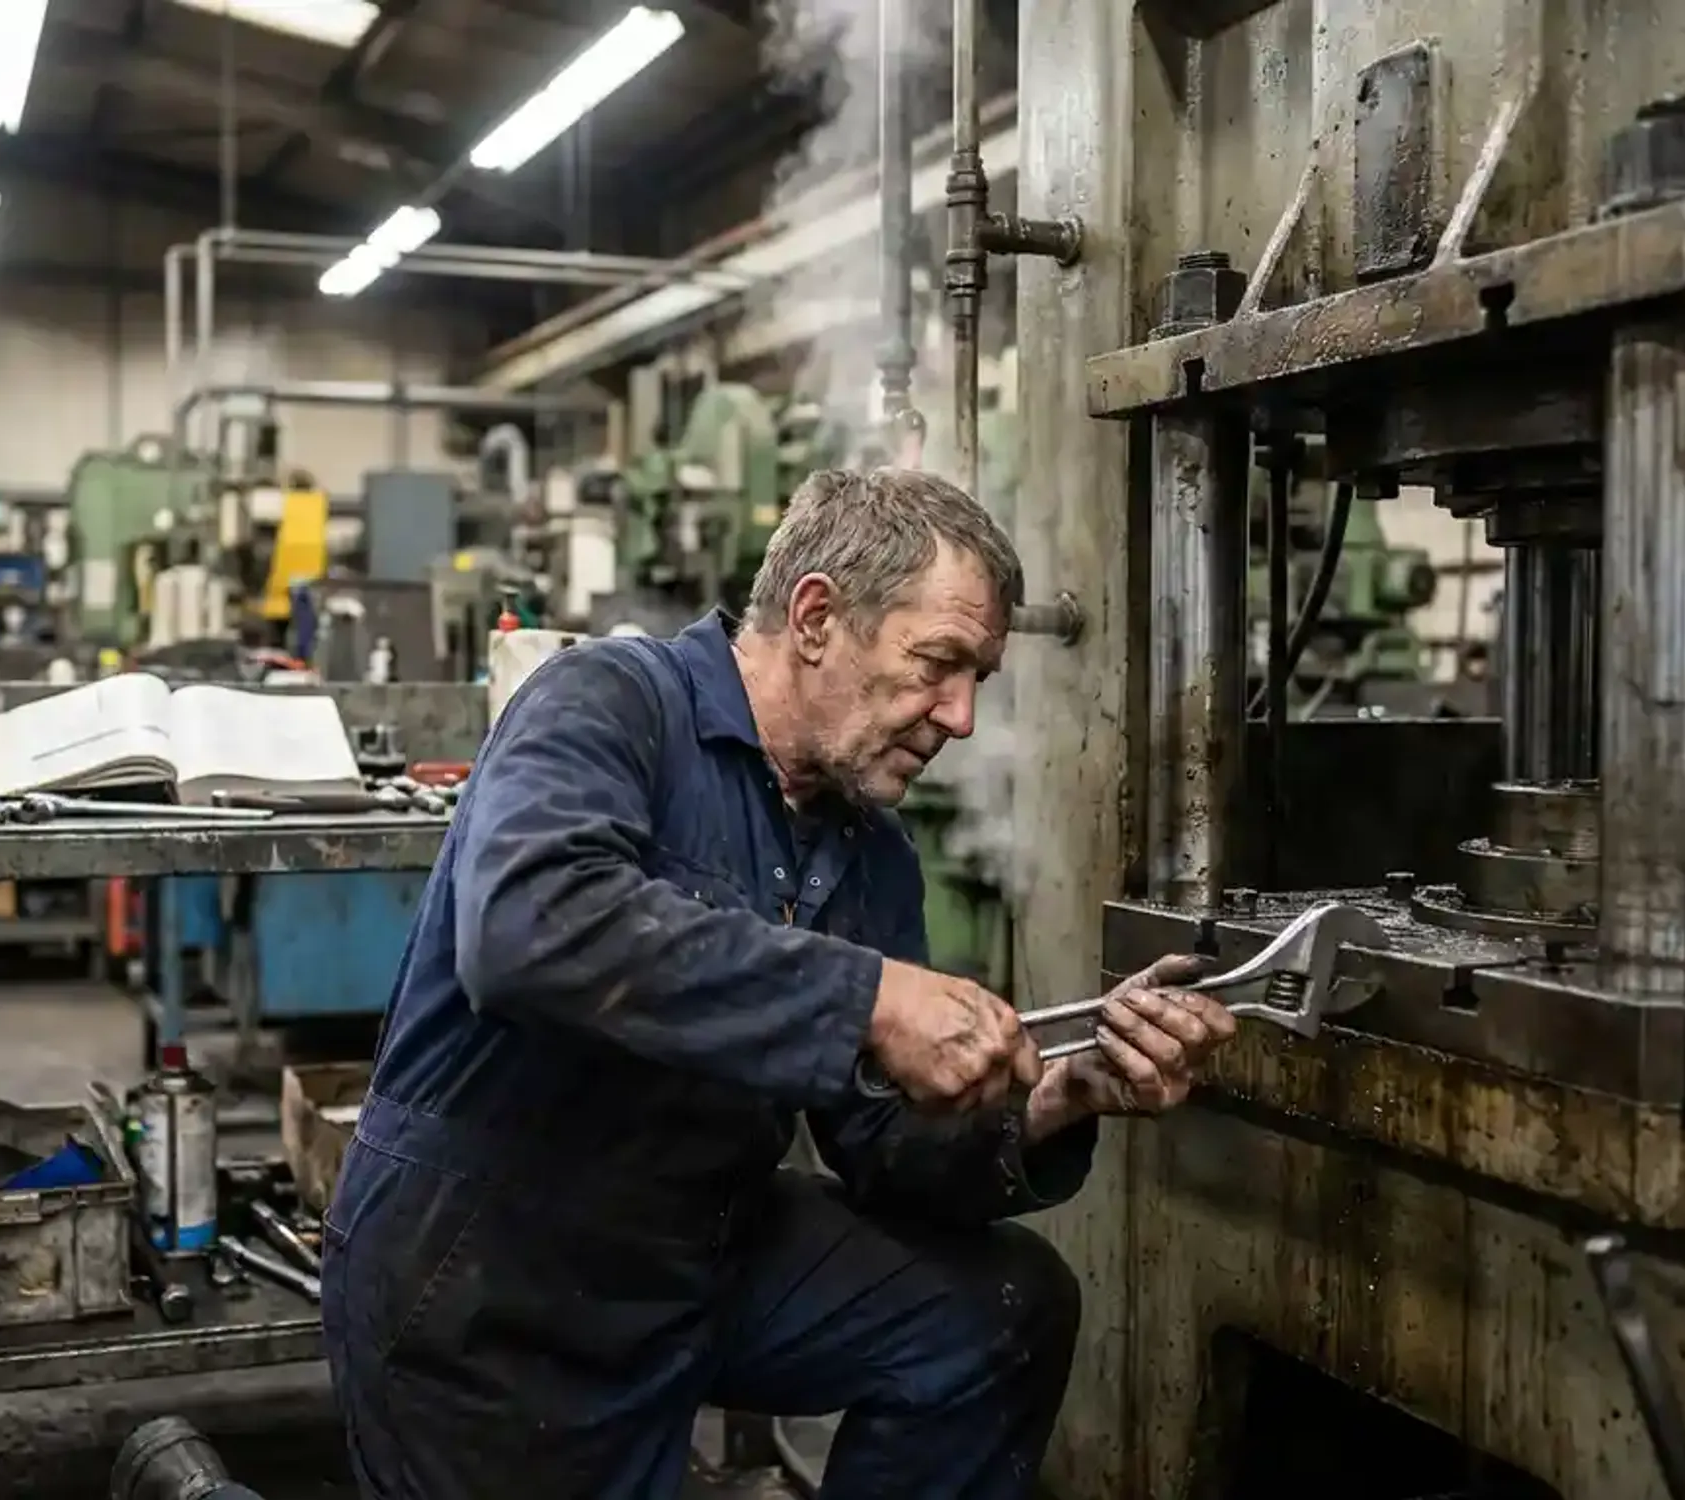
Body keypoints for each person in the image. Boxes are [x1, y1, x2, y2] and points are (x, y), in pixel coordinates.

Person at [321, 467, 1239, 1499]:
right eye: (938, 664)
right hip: (487, 1279)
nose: (961, 715)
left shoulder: (868, 850)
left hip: (689, 1251)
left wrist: (1059, 1095)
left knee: (998, 1307)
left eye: (979, 677)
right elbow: (530, 928)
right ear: (815, 617)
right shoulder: (609, 705)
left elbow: (881, 1147)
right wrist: (868, 997)